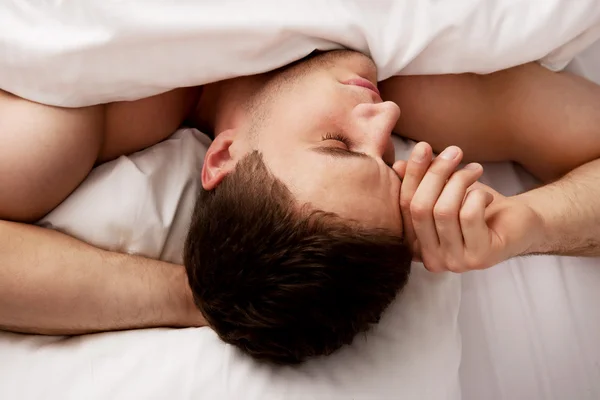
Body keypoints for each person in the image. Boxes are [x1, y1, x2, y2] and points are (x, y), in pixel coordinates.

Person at [1, 50, 599, 363]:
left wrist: (190, 296)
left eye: (339, 146)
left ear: (223, 157)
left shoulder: (73, 122)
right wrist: (528, 223)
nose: (386, 118)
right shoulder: (415, 87)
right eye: (386, 155)